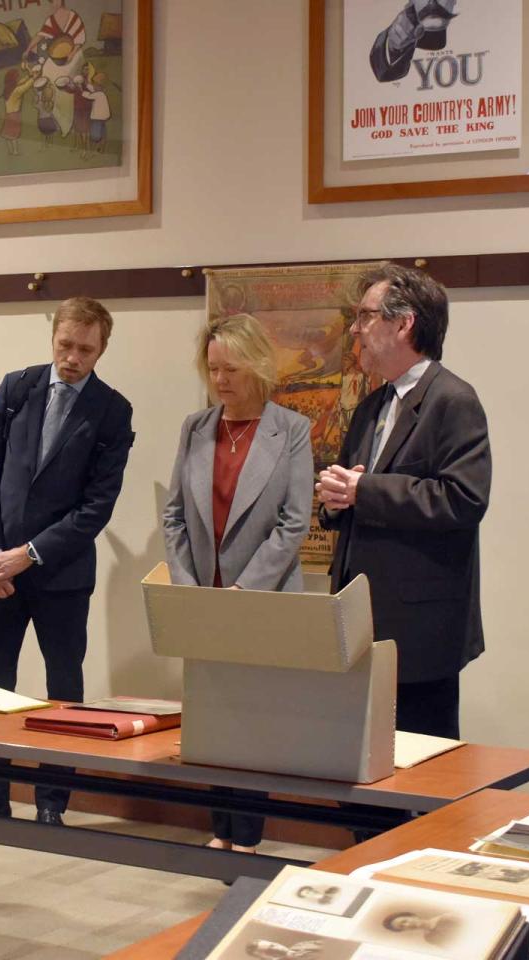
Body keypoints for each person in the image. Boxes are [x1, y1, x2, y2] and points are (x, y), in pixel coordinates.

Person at [0, 296, 134, 825]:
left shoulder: (112, 410)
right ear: (53, 336)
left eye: (85, 349)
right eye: (66, 344)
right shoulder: (17, 389)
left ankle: (52, 800)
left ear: (101, 348)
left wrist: (28, 555)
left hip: (60, 574)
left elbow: (95, 508)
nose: (73, 358)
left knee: (64, 687)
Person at [316, 264, 490, 740]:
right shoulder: (373, 405)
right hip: (359, 620)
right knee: (353, 763)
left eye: (365, 316)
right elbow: (355, 488)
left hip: (419, 632)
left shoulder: (453, 400)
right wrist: (334, 499)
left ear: (403, 323)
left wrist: (363, 490)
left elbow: (463, 499)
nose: (355, 329)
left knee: (418, 775)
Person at [162, 313, 314, 853]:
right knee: (213, 718)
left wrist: (244, 592)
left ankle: (246, 834)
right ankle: (218, 829)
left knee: (255, 722)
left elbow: (294, 522)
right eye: (212, 369)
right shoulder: (195, 428)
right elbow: (174, 515)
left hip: (262, 600)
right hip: (204, 598)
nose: (220, 380)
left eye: (231, 369)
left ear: (256, 367)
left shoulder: (291, 429)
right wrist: (189, 587)